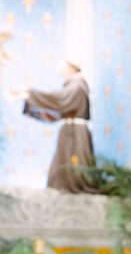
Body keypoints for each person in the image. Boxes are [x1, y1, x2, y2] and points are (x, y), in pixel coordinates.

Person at [18, 59, 96, 193]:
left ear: (72, 67)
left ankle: (74, 188)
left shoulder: (77, 85)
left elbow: (60, 100)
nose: (59, 68)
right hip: (69, 130)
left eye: (63, 64)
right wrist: (31, 103)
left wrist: (31, 93)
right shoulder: (72, 85)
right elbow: (59, 109)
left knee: (75, 163)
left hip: (75, 133)